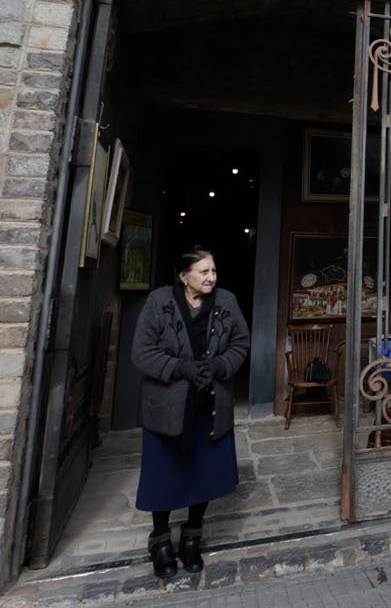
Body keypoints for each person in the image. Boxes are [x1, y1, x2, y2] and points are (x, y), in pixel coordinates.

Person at [132, 247, 250, 577]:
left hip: (210, 403)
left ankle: (192, 537)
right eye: (203, 272)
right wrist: (179, 367)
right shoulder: (159, 302)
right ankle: (160, 540)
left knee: (205, 471)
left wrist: (219, 365)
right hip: (168, 406)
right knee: (164, 474)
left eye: (213, 271)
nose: (211, 277)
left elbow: (241, 342)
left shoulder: (226, 301)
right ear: (184, 277)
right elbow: (141, 352)